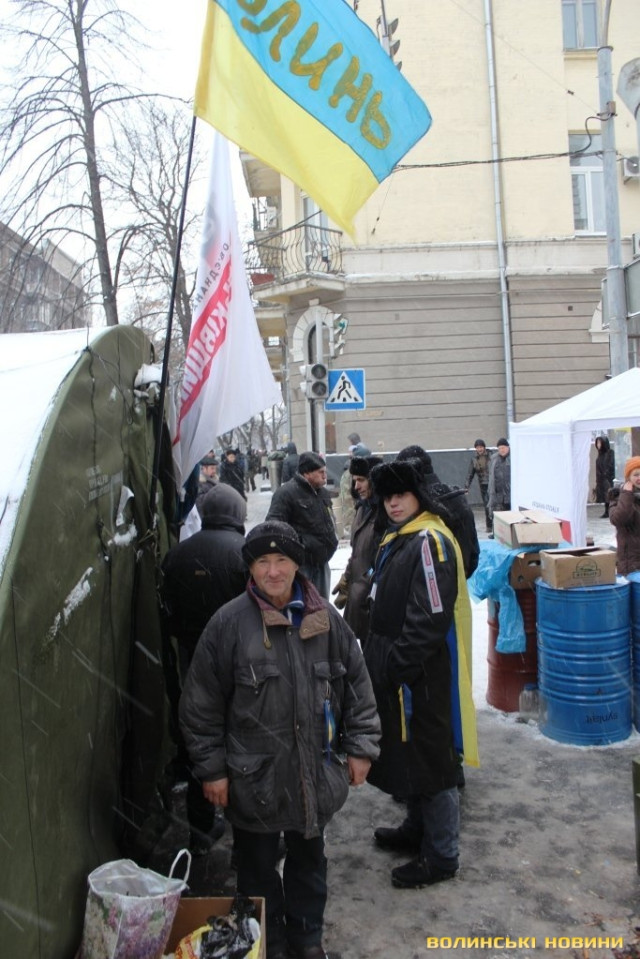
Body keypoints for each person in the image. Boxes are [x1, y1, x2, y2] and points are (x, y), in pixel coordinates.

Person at [179, 521, 380, 959]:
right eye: (263, 562)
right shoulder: (228, 625)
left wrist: (362, 746)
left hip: (313, 775)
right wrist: (212, 770)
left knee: (310, 864)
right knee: (256, 871)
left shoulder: (324, 620)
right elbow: (200, 706)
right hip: (254, 781)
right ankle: (269, 943)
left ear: (296, 564)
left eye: (282, 560)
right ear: (250, 569)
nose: (273, 571)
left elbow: (358, 685)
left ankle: (308, 940)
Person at [364, 459, 478, 889]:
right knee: (409, 751)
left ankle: (442, 854)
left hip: (421, 674)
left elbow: (430, 615)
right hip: (401, 671)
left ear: (418, 497)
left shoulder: (429, 541)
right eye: (387, 497)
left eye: (401, 496)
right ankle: (417, 827)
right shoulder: (400, 537)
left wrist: (399, 663)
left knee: (433, 760)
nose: (393, 504)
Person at [161, 483, 248, 854]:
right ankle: (245, 834)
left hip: (192, 661)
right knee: (243, 741)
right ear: (238, 514)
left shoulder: (176, 555)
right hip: (238, 665)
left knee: (201, 741)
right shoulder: (244, 553)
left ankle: (200, 829)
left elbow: (166, 611)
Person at [396, 445, 480, 578]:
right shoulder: (457, 499)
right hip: (459, 580)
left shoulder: (415, 505)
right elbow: (473, 554)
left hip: (426, 585)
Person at [266, 452, 338, 599]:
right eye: (320, 472)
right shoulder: (286, 493)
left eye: (325, 471)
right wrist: (301, 544)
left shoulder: (322, 493)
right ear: (307, 473)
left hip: (322, 563)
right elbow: (274, 528)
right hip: (301, 566)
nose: (325, 476)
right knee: (302, 604)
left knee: (321, 605)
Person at [332, 454, 383, 642]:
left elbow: (381, 563)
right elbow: (358, 553)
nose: (356, 486)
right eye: (354, 481)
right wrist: (347, 576)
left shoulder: (385, 514)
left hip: (374, 605)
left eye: (361, 480)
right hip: (358, 599)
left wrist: (366, 582)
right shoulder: (362, 509)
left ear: (374, 479)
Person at [609, 456, 640, 575]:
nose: (639, 478)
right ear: (628, 478)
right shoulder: (618, 497)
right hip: (632, 564)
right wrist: (627, 495)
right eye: (636, 475)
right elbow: (619, 520)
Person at [466, 439, 492, 533]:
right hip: (483, 485)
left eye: (481, 447)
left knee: (496, 506)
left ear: (484, 447)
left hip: (493, 484)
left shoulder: (491, 456)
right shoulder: (474, 459)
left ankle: (497, 526)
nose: (479, 449)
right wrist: (466, 486)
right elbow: (470, 474)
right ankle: (489, 526)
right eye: (477, 447)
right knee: (487, 505)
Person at [487, 438, 511, 525]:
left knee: (511, 518)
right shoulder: (494, 459)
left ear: (508, 447)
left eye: (503, 447)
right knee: (499, 519)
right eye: (499, 448)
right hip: (498, 496)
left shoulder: (513, 458)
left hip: (510, 495)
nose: (501, 450)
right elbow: (491, 477)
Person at [595, 435, 615, 518]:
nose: (598, 445)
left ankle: (610, 511)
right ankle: (607, 511)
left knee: (609, 495)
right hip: (601, 479)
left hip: (608, 479)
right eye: (597, 443)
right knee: (605, 496)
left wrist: (606, 475)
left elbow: (610, 465)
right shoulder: (600, 455)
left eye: (600, 443)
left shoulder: (610, 453)